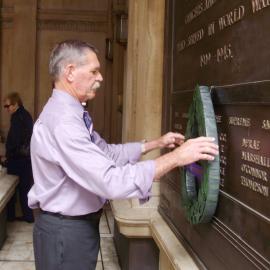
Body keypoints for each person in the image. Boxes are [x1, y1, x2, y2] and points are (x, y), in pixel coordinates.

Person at [28, 40, 219, 270]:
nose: (100, 78)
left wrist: (154, 144)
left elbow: (107, 153)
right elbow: (109, 181)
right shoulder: (63, 122)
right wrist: (177, 157)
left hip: (72, 230)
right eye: (94, 71)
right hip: (65, 235)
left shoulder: (72, 114)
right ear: (70, 72)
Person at [3, 92, 34, 223]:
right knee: (25, 188)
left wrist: (7, 155)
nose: (6, 108)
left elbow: (15, 140)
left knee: (10, 188)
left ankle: (9, 218)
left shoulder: (17, 117)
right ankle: (28, 216)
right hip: (26, 159)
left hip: (18, 159)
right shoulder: (25, 114)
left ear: (15, 104)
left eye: (8, 106)